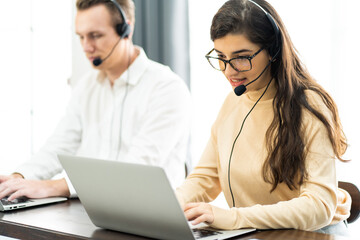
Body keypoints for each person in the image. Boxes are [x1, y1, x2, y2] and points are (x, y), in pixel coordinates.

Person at [175, 0, 351, 235]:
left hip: (309, 235)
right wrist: (166, 205)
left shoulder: (309, 106)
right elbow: (205, 177)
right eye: (221, 56)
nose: (229, 70)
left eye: (241, 57)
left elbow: (319, 206)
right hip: (257, 233)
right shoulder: (233, 102)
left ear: (273, 50)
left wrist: (233, 217)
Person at [0, 0, 191, 200]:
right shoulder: (87, 86)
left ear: (127, 29)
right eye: (81, 37)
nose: (86, 47)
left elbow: (135, 171)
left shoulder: (167, 88)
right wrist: (18, 178)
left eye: (95, 36)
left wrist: (53, 186)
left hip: (149, 215)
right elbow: (59, 146)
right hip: (94, 210)